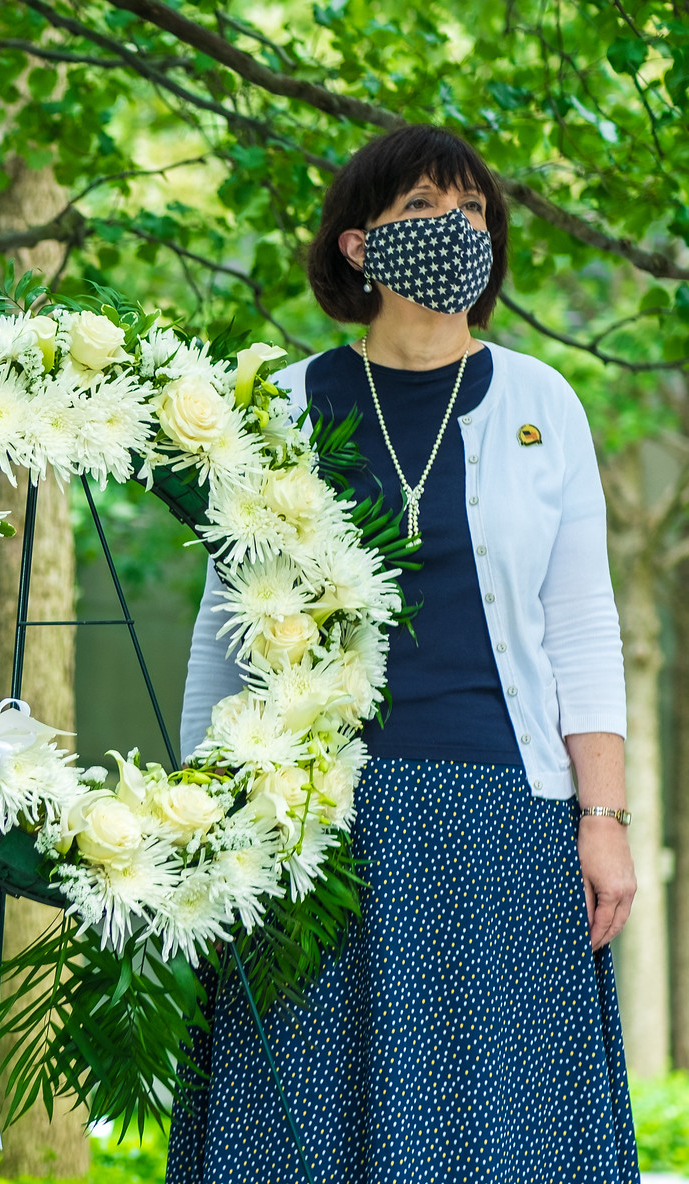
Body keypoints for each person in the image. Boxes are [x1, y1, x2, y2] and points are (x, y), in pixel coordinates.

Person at [166, 125, 638, 1180]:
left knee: (499, 1131)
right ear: (354, 243)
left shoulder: (542, 406)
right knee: (306, 1125)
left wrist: (601, 817)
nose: (457, 230)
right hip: (313, 828)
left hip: (502, 824)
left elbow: (581, 625)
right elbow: (223, 626)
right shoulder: (277, 408)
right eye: (426, 207)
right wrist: (200, 825)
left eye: (473, 212)